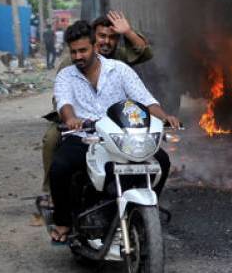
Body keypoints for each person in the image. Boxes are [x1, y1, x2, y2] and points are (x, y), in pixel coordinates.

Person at [48, 21, 179, 242]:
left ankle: (147, 213)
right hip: (86, 139)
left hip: (122, 140)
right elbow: (64, 103)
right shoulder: (66, 76)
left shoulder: (119, 70)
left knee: (162, 162)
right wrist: (71, 119)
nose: (78, 56)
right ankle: (63, 222)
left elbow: (145, 100)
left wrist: (164, 116)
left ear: (94, 46)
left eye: (83, 50)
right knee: (59, 168)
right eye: (74, 52)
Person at [40, 11, 153, 196]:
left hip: (116, 121)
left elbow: (145, 53)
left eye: (112, 37)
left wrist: (128, 32)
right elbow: (61, 97)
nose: (106, 42)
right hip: (81, 122)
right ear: (92, 38)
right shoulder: (72, 62)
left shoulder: (118, 59)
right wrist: (70, 117)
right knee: (52, 140)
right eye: (102, 36)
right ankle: (50, 193)